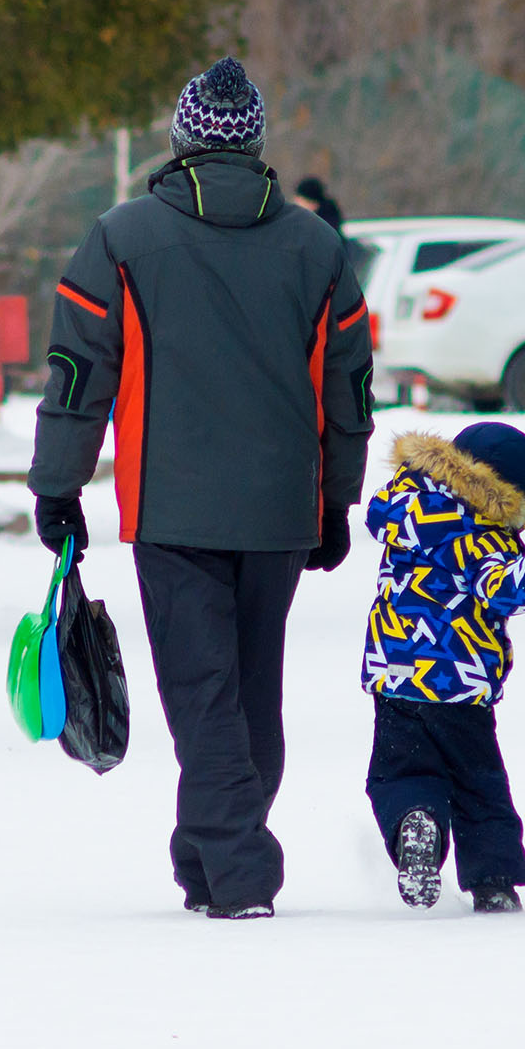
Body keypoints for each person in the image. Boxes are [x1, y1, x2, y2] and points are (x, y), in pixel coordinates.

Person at [29, 56, 374, 920]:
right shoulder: (317, 247)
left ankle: (241, 873)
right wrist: (335, 498)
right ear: (253, 142)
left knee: (201, 690)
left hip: (171, 504)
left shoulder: (120, 238)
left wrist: (58, 484)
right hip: (277, 508)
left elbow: (79, 375)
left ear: (181, 138)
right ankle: (206, 858)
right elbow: (351, 387)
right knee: (249, 684)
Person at [360, 422, 525, 913]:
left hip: (394, 673)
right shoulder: (482, 532)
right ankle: (494, 879)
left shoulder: (404, 505)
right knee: (477, 781)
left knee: (400, 772)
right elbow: (500, 588)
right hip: (457, 680)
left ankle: (417, 821)